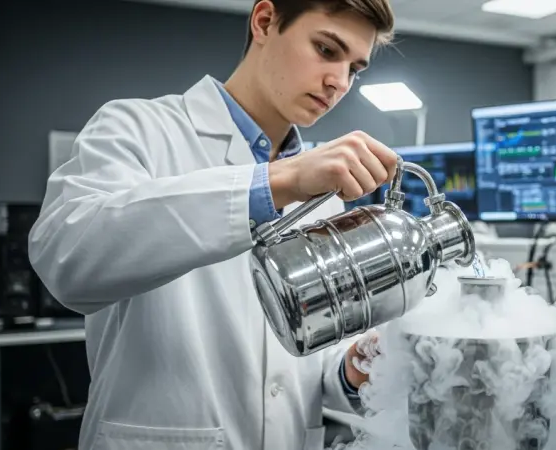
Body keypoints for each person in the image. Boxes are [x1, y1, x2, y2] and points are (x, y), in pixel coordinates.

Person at [27, 0, 397, 448]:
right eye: (325, 49)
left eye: (355, 69)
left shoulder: (322, 197)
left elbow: (306, 361)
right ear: (264, 22)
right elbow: (69, 259)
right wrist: (274, 183)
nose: (339, 82)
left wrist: (352, 366)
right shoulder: (138, 129)